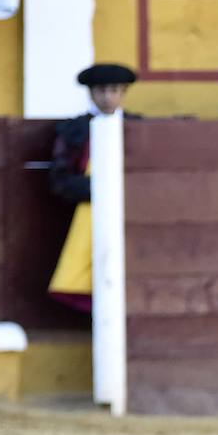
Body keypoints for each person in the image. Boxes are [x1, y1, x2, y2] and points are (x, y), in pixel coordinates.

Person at [47, 63, 140, 311]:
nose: (108, 97)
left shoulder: (140, 128)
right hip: (85, 216)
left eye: (114, 90)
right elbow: (60, 180)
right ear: (90, 93)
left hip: (132, 218)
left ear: (123, 92)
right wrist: (104, 190)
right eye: (101, 90)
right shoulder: (72, 130)